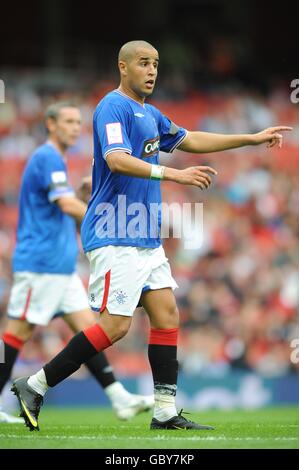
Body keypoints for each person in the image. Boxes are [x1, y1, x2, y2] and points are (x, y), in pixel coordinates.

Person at [11, 40, 292, 431]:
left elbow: (190, 138)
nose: (151, 70)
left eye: (156, 64)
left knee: (166, 313)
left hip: (143, 235)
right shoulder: (113, 106)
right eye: (143, 63)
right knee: (116, 326)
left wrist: (250, 138)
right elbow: (116, 159)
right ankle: (35, 384)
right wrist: (173, 173)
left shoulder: (151, 113)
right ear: (123, 67)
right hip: (114, 231)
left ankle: (164, 410)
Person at [0, 101, 154, 424]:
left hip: (61, 267)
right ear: (51, 124)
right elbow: (66, 203)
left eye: (78, 122)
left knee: (91, 331)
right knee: (17, 332)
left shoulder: (58, 162)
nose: (75, 127)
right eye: (68, 121)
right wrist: (102, 219)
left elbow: (65, 199)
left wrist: (89, 193)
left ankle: (118, 396)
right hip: (40, 265)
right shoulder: (47, 157)